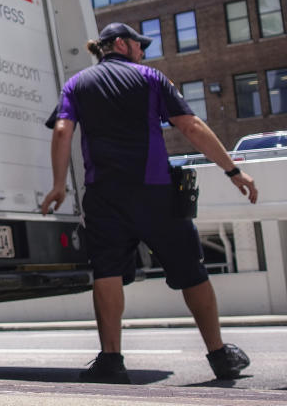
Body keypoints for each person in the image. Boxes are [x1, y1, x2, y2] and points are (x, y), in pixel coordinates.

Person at [40, 22, 259, 384]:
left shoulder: (76, 84)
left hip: (104, 197)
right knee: (192, 272)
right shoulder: (151, 78)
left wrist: (59, 184)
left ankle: (111, 361)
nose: (143, 52)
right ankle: (220, 357)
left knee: (107, 272)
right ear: (122, 45)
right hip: (155, 192)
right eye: (139, 45)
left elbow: (63, 130)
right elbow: (190, 126)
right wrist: (233, 171)